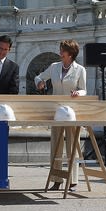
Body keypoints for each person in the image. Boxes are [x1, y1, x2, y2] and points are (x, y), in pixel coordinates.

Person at [34, 39, 87, 191]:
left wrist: (78, 93)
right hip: (56, 112)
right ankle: (56, 180)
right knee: (55, 146)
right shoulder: (54, 67)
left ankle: (73, 181)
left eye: (63, 50)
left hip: (72, 112)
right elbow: (39, 77)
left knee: (73, 146)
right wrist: (39, 82)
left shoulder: (80, 69)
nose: (60, 52)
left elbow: (84, 90)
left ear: (70, 54)